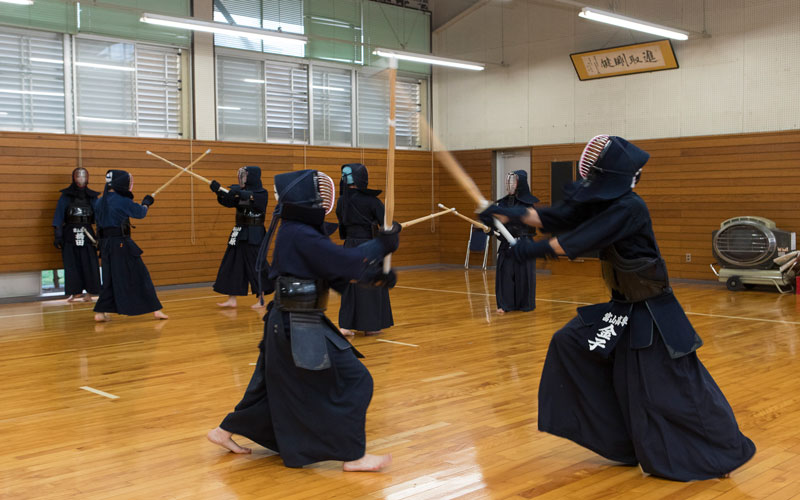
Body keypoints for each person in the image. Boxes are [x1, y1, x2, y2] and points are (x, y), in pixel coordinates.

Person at [480, 135, 755, 481]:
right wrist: (507, 210)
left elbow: (576, 241)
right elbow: (555, 217)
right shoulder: (602, 202)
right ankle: (624, 442)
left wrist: (528, 251)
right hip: (622, 308)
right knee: (570, 343)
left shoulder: (629, 208)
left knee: (674, 388)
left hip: (652, 312)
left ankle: (721, 453)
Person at [207, 169, 399, 472]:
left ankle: (222, 432)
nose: (324, 200)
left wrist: (374, 276)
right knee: (355, 380)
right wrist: (380, 245)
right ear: (306, 198)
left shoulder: (297, 230)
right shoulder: (299, 233)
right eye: (319, 194)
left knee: (270, 386)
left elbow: (330, 270)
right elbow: (341, 261)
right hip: (296, 324)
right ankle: (353, 455)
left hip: (288, 320)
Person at [93, 170, 167, 322]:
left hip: (105, 245)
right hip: (121, 244)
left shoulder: (100, 200)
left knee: (108, 278)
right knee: (141, 275)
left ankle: (100, 312)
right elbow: (140, 213)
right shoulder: (121, 200)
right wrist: (146, 203)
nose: (130, 185)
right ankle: (156, 310)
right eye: (129, 182)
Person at [335, 163, 393, 336]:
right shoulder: (371, 201)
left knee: (350, 286)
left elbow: (342, 222)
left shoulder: (341, 200)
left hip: (350, 246)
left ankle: (345, 325)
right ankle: (370, 326)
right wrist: (393, 228)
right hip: (369, 247)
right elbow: (385, 224)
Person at [209, 166, 269, 309]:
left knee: (256, 265)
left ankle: (261, 299)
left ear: (252, 177)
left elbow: (253, 199)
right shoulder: (241, 192)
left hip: (254, 233)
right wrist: (218, 192)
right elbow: (229, 202)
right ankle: (232, 299)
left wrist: (238, 192)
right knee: (232, 263)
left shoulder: (262, 193)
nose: (242, 179)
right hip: (240, 231)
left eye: (245, 176)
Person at [492, 170, 539, 314]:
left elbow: (530, 225)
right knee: (505, 273)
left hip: (524, 244)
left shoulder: (529, 204)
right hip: (507, 245)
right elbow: (497, 224)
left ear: (521, 184)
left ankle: (525, 304)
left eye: (513, 181)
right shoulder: (502, 204)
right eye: (508, 181)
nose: (510, 184)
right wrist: (492, 229)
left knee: (524, 275)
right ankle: (505, 305)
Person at [52, 167, 101, 302]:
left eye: (83, 176)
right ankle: (75, 292)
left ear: (87, 178)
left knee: (90, 263)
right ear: (73, 178)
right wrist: (58, 235)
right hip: (70, 233)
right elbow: (58, 216)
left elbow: (100, 217)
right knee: (71, 264)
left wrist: (100, 236)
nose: (81, 179)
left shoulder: (93, 197)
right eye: (78, 176)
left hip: (87, 233)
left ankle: (91, 292)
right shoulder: (65, 196)